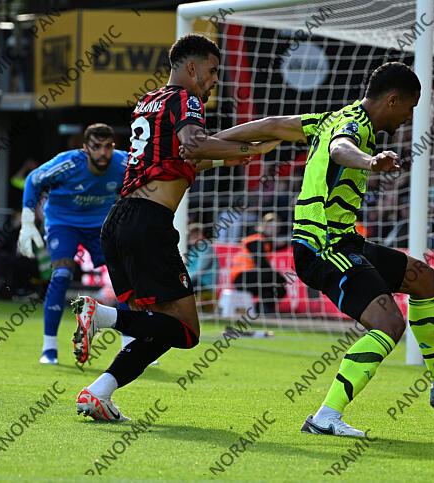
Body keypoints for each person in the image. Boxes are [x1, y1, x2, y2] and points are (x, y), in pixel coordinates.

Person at [185, 62, 434, 437]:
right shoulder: (352, 128)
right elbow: (340, 148)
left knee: (422, 278)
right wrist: (369, 161)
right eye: (409, 107)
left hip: (344, 241)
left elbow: (274, 125)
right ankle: (325, 416)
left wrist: (208, 143)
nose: (410, 117)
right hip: (322, 246)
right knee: (389, 324)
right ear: (392, 100)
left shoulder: (332, 117)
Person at [70, 34, 280, 421]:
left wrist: (228, 159)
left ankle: (98, 392)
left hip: (119, 222)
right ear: (191, 67)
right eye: (213, 71)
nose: (215, 79)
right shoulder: (186, 99)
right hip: (148, 224)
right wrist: (249, 151)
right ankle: (102, 316)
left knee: (160, 328)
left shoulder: (146, 103)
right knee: (187, 331)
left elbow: (181, 157)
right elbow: (195, 144)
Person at [17, 123, 127, 364]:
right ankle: (49, 349)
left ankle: (130, 344)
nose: (103, 153)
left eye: (108, 147)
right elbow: (33, 181)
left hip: (100, 225)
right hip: (62, 223)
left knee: (125, 275)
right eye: (97, 147)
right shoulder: (67, 163)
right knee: (61, 274)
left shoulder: (123, 163)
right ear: (86, 148)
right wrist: (27, 220)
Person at [231, 212, 287, 314]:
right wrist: (279, 277)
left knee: (278, 288)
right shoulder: (255, 239)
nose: (273, 229)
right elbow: (261, 263)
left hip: (250, 276)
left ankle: (259, 310)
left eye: (276, 227)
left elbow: (279, 246)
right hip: (242, 277)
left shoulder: (264, 240)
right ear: (264, 226)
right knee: (277, 281)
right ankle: (262, 309)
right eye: (271, 226)